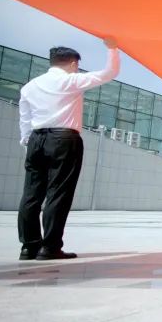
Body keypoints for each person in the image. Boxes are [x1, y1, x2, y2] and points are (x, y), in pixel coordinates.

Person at [17, 38, 121, 260]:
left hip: (36, 139)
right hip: (64, 140)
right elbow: (109, 73)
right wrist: (112, 48)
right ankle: (50, 247)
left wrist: (27, 142)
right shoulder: (71, 81)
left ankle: (28, 246)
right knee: (58, 193)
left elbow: (24, 119)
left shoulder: (30, 87)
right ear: (73, 63)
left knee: (31, 194)